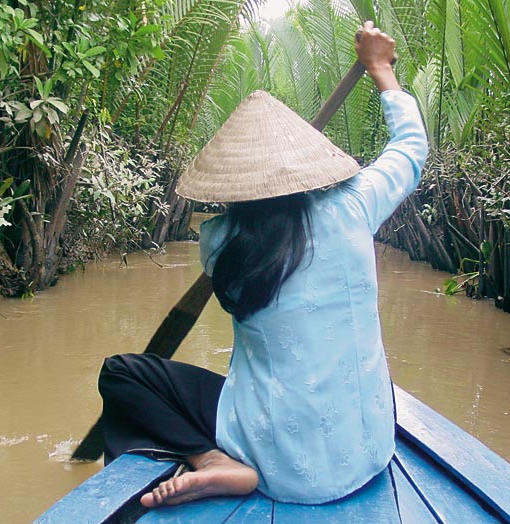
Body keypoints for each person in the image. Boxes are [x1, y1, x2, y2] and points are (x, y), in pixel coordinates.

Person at [96, 21, 428, 508]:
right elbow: (410, 148)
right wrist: (379, 67)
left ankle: (213, 459)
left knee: (123, 374)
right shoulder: (357, 205)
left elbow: (249, 226)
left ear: (233, 185)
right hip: (368, 452)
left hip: (275, 463)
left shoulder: (219, 242)